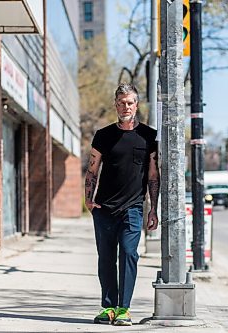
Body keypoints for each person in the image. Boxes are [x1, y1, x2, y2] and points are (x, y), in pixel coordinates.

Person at [85, 83, 160, 326]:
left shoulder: (149, 136)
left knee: (129, 254)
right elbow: (92, 170)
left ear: (136, 105)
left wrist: (153, 209)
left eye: (129, 102)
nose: (125, 107)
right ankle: (108, 307)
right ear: (116, 105)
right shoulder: (103, 135)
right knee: (105, 258)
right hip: (104, 208)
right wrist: (89, 199)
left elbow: (152, 176)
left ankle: (124, 309)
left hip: (133, 207)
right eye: (121, 103)